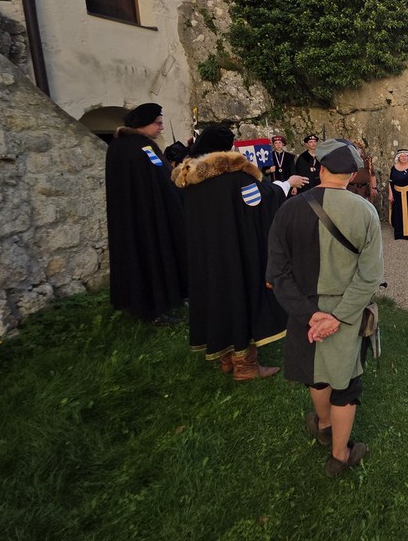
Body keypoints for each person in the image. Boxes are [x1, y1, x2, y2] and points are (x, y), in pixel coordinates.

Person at [267, 139, 384, 478]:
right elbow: (370, 275)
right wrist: (339, 317)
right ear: (351, 175)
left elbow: (277, 273)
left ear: (319, 168)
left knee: (315, 373)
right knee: (345, 384)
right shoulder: (366, 212)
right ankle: (340, 454)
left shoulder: (288, 209)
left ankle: (323, 425)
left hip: (305, 313)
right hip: (347, 313)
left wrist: (310, 315)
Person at [172, 125, 308, 380]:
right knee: (239, 296)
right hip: (234, 252)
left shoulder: (189, 179)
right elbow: (259, 201)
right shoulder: (235, 177)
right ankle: (245, 365)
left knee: (216, 297)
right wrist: (285, 184)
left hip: (206, 254)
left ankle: (225, 356)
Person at [104, 102, 187, 325]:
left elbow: (160, 178)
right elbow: (141, 186)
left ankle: (168, 299)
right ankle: (151, 309)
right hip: (141, 219)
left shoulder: (143, 145)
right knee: (146, 260)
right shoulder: (128, 148)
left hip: (153, 213)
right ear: (143, 123)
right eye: (157, 123)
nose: (161, 127)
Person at [347, 140, 378, 205]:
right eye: (355, 148)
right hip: (350, 189)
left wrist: (373, 188)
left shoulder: (367, 161)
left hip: (363, 190)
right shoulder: (348, 160)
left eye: (358, 148)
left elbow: (372, 175)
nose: (357, 150)